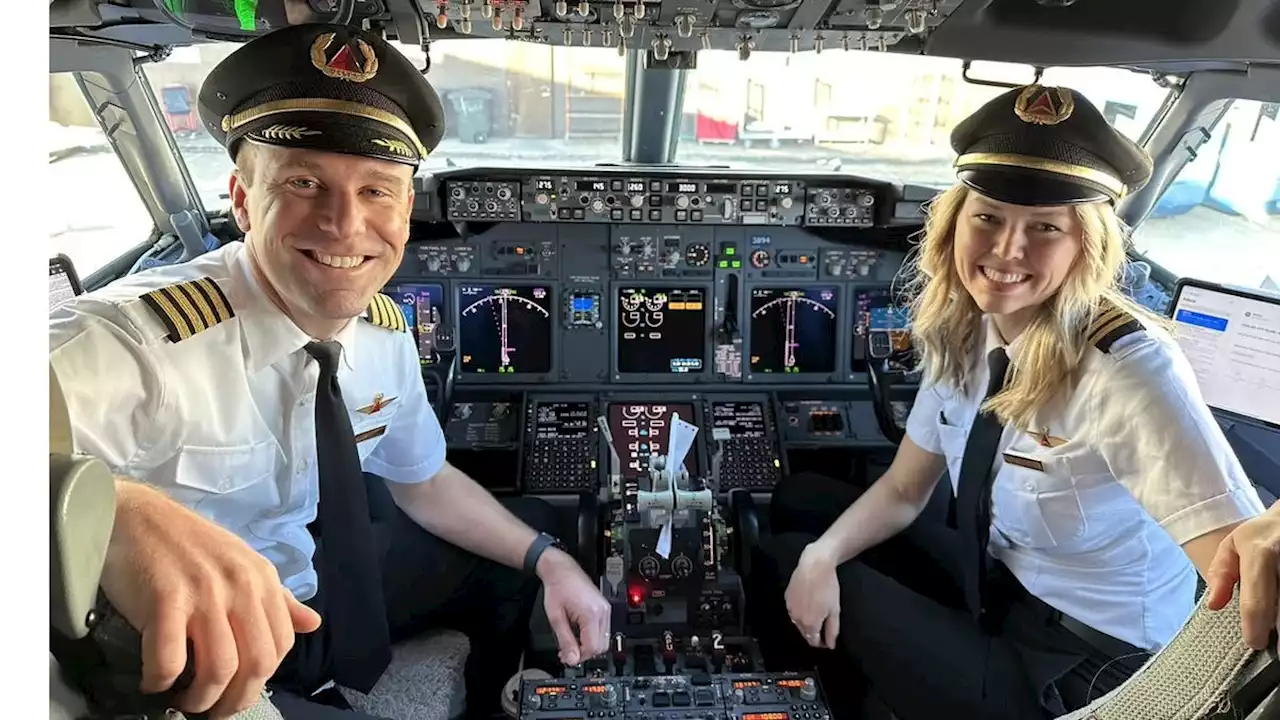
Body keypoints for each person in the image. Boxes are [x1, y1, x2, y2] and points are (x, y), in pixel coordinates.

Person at [48, 22, 611, 720]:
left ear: (406, 208)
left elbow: (425, 482)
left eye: (377, 190)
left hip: (317, 582)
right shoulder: (135, 342)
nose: (345, 225)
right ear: (245, 199)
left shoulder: (382, 333)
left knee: (522, 554)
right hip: (199, 641)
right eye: (305, 182)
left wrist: (552, 560)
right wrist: (116, 508)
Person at [746, 84, 1275, 720]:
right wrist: (822, 557)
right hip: (1003, 582)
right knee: (799, 503)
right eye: (988, 217)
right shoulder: (965, 326)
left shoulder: (1129, 373)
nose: (1007, 252)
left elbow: (1243, 567)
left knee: (781, 562)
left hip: (1084, 662)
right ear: (953, 226)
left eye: (1045, 228)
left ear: (1086, 246)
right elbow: (906, 490)